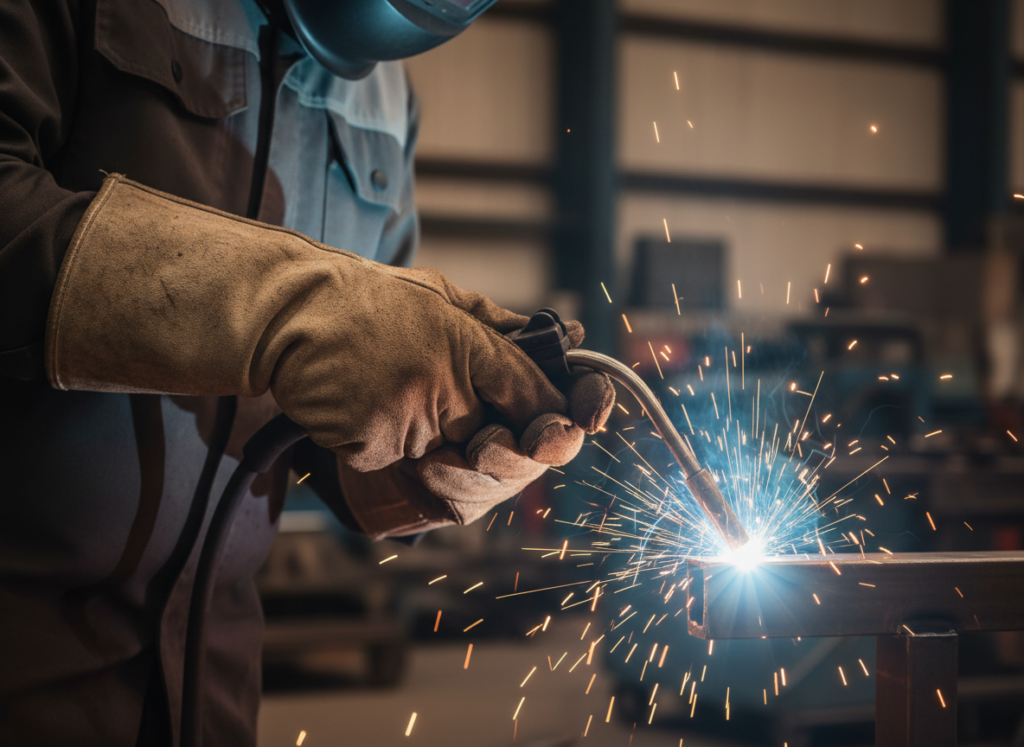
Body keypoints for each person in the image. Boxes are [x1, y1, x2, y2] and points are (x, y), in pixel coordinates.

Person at [0, 0, 615, 744]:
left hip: (210, 671)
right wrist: (280, 308)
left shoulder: (387, 95)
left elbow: (333, 416)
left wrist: (438, 459)